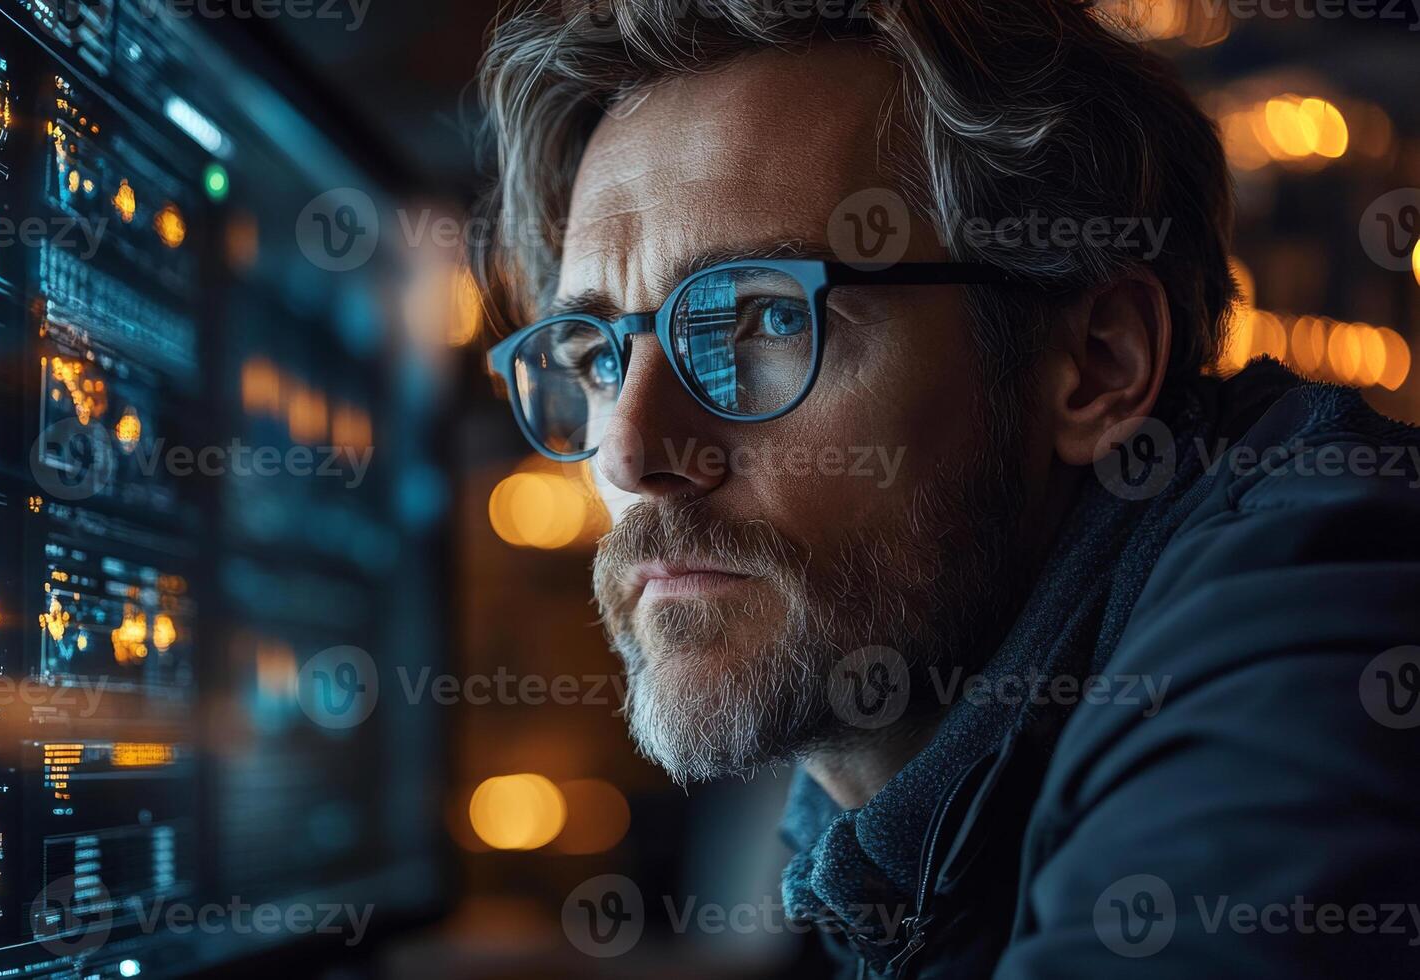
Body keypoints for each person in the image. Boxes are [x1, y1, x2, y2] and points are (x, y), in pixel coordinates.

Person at [473, 1, 1420, 975]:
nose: (630, 453)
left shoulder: (1319, 610)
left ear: (1098, 363)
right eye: (592, 356)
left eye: (757, 323)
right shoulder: (901, 748)